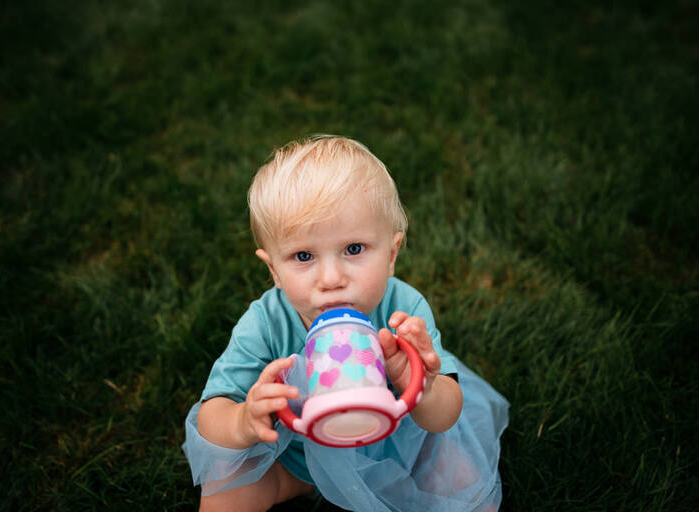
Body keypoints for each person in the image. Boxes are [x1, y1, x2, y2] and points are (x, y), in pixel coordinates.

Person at [183, 136, 509, 511]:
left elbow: (444, 417)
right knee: (225, 494)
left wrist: (422, 386)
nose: (332, 277)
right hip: (295, 461)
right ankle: (298, 486)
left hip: (397, 453)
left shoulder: (403, 311)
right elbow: (210, 416)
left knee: (467, 486)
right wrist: (242, 419)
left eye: (354, 249)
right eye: (303, 255)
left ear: (391, 254)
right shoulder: (266, 323)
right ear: (273, 269)